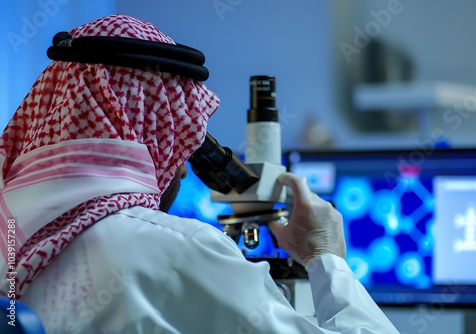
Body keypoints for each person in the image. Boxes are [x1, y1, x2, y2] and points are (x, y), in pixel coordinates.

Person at [0, 14, 399, 333]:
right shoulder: (175, 250)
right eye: (180, 139)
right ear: (153, 131)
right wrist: (325, 256)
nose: (185, 169)